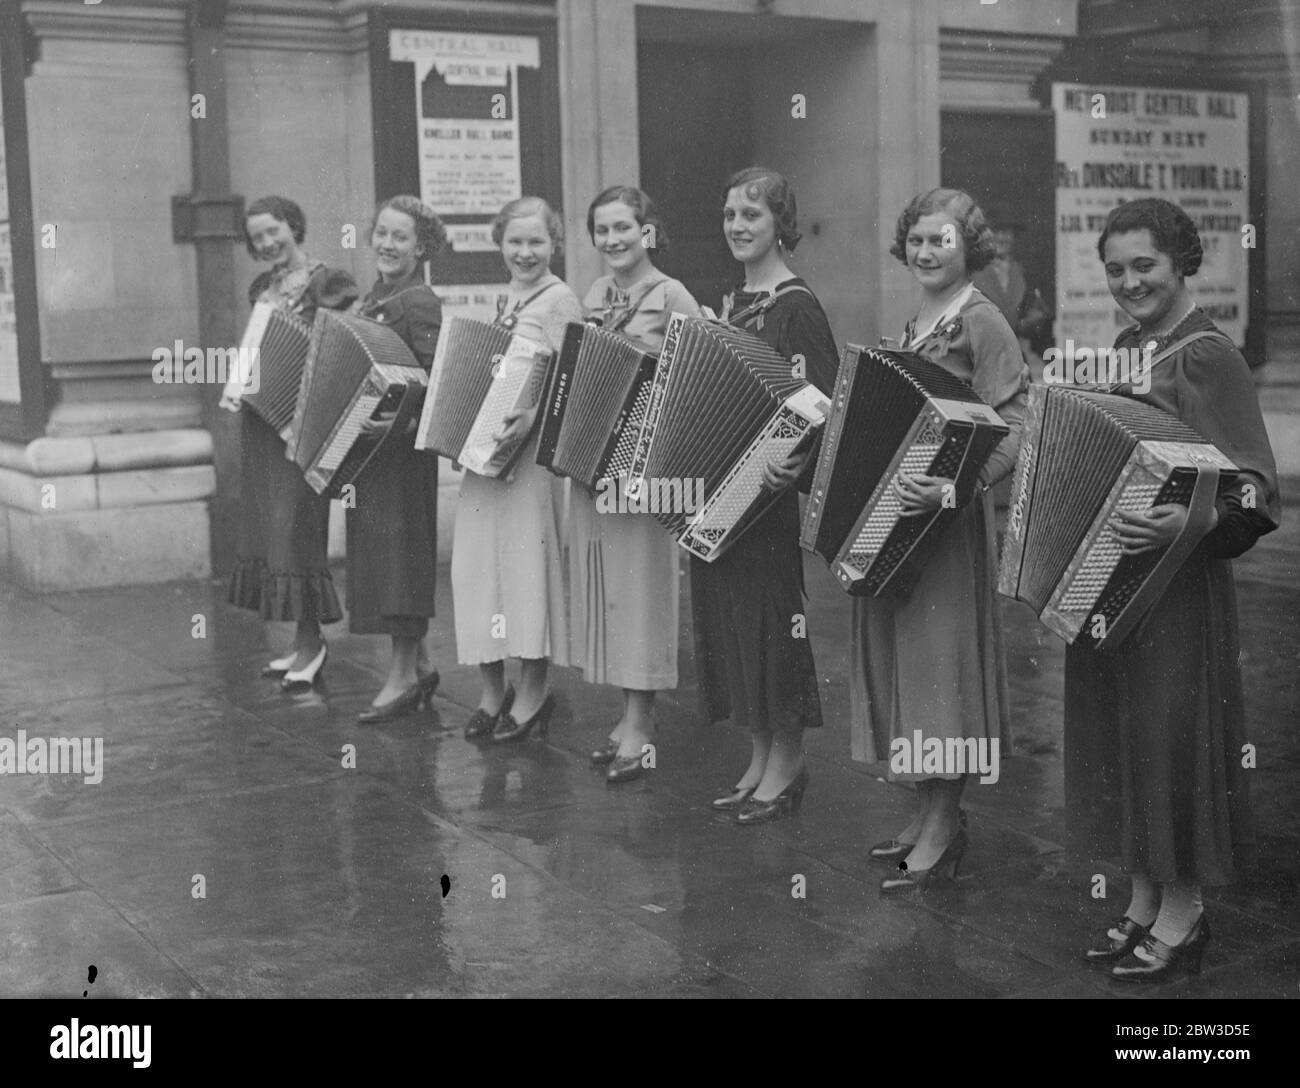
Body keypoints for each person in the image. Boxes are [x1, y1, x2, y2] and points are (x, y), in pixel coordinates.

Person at [1069, 198, 1279, 981]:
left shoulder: (1207, 355)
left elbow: (1256, 492)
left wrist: (1181, 529)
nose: (1129, 282)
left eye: (1144, 265)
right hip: (1118, 585)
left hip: (1180, 590)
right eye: (1116, 269)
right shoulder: (1128, 346)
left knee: (1171, 738)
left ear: (1182, 259)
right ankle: (1143, 893)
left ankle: (1184, 908)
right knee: (1125, 738)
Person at [850, 188, 1027, 893]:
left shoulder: (983, 322)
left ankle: (945, 827)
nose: (926, 252)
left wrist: (957, 488)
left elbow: (1014, 423)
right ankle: (925, 816)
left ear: (968, 247)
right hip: (901, 524)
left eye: (941, 241)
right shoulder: (916, 319)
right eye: (917, 240)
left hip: (947, 528)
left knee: (943, 670)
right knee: (909, 669)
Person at [696, 167, 837, 824]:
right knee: (736, 629)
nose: (736, 226)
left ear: (781, 224)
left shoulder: (796, 306)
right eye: (728, 215)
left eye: (750, 215)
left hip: (767, 501)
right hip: (722, 495)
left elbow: (826, 407)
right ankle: (757, 758)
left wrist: (799, 463)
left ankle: (788, 764)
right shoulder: (732, 303)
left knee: (774, 626)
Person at [573, 185, 702, 784]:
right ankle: (627, 717)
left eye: (624, 227)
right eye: (602, 230)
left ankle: (644, 726)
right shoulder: (596, 293)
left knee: (644, 588)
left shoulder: (672, 294)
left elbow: (701, 369)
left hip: (647, 469)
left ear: (648, 231)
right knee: (612, 590)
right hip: (598, 462)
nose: (613, 240)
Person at [452, 196, 582, 743]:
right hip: (486, 456)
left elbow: (574, 382)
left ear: (554, 244)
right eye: (515, 242)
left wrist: (532, 411)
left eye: (536, 242)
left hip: (530, 461)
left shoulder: (560, 301)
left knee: (527, 569)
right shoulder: (507, 299)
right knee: (479, 568)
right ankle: (490, 690)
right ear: (499, 244)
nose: (525, 252)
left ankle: (532, 691)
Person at [222, 195, 358, 690]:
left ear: (293, 226)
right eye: (257, 237)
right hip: (262, 423)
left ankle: (313, 643)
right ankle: (299, 643)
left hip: (301, 426)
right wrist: (239, 385)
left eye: (273, 231)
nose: (267, 242)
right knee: (271, 532)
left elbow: (341, 347)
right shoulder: (263, 287)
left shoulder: (328, 281)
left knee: (297, 528)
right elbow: (256, 348)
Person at [348, 195, 446, 722]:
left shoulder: (419, 300)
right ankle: (422, 663)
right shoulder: (376, 297)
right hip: (371, 456)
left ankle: (404, 674)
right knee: (383, 558)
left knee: (401, 560)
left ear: (421, 246)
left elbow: (435, 382)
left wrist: (397, 420)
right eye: (381, 233)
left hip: (402, 456)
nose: (387, 244)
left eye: (400, 237)